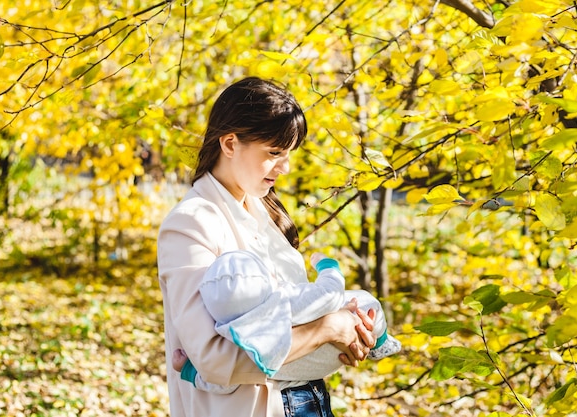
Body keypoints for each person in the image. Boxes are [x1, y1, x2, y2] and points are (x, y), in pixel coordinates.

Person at [157, 76, 377, 417]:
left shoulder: (267, 212)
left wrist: (352, 330)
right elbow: (215, 359)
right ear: (230, 143)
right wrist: (327, 329)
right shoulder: (191, 222)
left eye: (288, 154)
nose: (285, 167)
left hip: (310, 400)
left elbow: (289, 313)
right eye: (274, 153)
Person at [172, 250, 402, 394]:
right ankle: (380, 342)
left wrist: (190, 370)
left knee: (251, 378)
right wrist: (327, 265)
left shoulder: (232, 336)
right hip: (328, 355)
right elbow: (330, 293)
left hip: (295, 379)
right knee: (366, 300)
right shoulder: (284, 303)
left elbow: (224, 382)